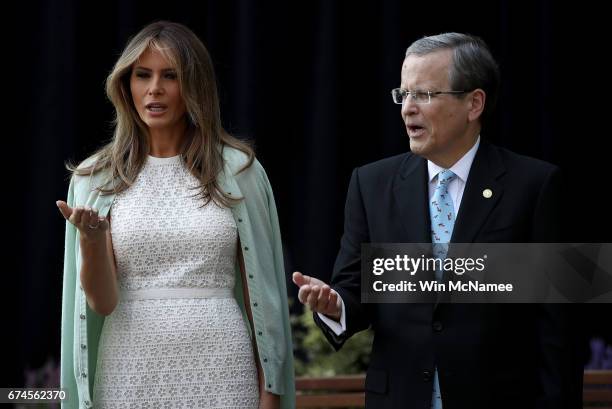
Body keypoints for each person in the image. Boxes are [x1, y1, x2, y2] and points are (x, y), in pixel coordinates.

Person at [293, 32, 582, 408]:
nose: (408, 108)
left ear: (473, 103)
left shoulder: (536, 186)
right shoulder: (372, 184)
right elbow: (356, 288)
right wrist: (336, 305)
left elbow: (558, 329)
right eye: (403, 94)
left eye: (425, 94)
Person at [58, 21, 294, 409]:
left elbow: (263, 298)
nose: (155, 88)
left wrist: (269, 393)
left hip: (224, 370)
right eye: (142, 75)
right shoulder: (94, 179)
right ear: (125, 84)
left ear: (195, 86)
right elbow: (101, 303)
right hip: (129, 369)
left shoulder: (240, 170)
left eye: (171, 75)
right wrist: (92, 239)